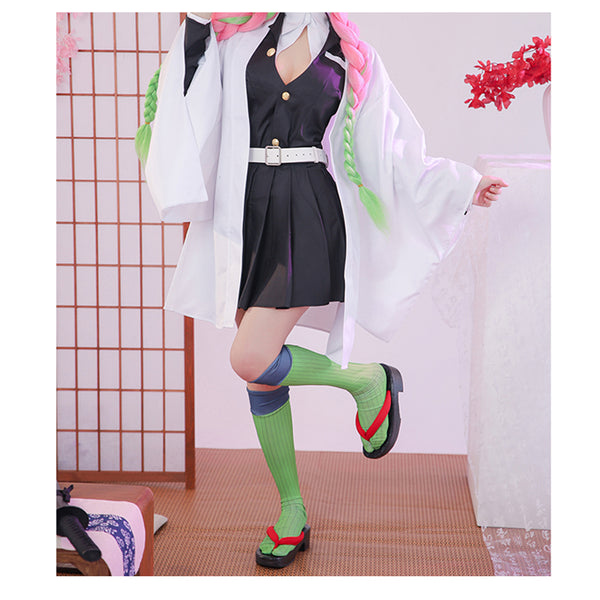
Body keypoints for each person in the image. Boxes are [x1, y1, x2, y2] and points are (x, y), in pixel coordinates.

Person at [136, 12, 507, 569]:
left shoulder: (351, 57)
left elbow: (393, 145)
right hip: (246, 215)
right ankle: (292, 508)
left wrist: (463, 185)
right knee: (261, 370)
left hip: (308, 214)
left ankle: (366, 379)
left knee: (249, 355)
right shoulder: (239, 42)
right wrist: (195, 21)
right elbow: (190, 95)